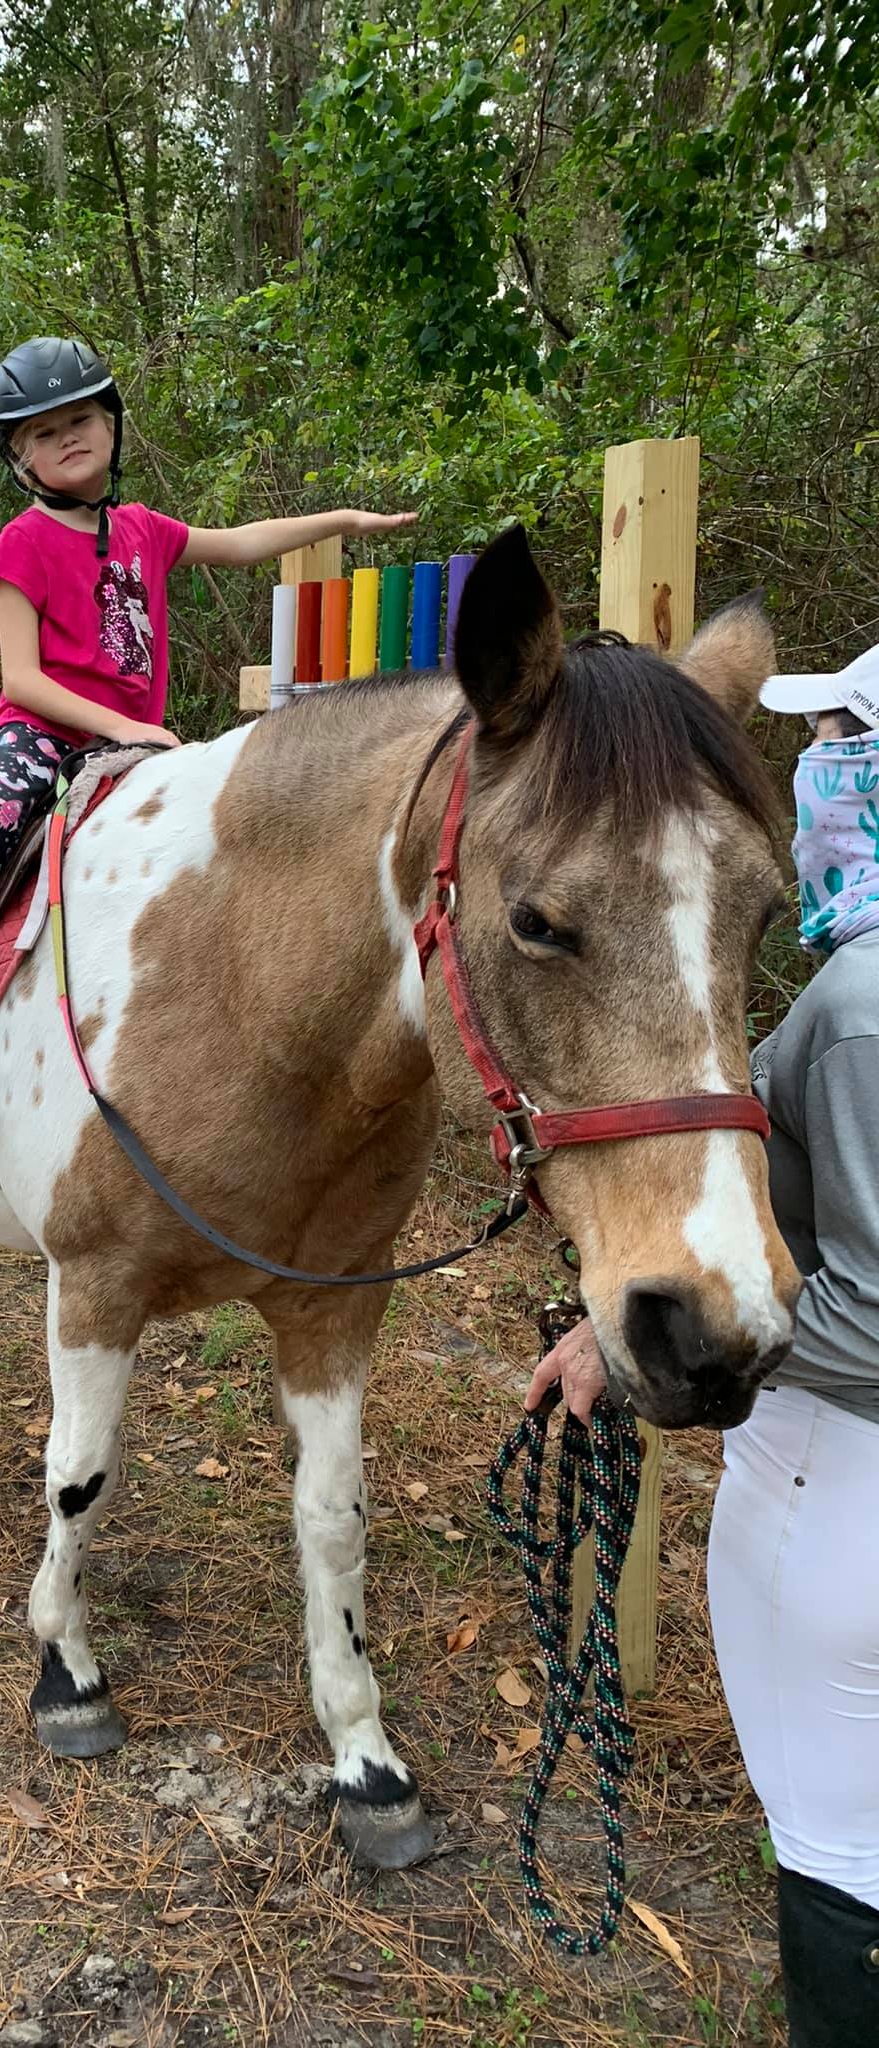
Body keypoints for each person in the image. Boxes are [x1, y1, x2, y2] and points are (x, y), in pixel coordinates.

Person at [527, 654, 879, 2048]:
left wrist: (642, 1353)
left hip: (837, 1493)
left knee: (838, 1837)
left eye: (845, 736)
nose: (825, 767)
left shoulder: (861, 1012)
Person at [0, 334, 418, 1106]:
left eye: (81, 418)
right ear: (20, 457)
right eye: (43, 430)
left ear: (112, 426)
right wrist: (120, 726)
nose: (67, 436)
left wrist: (337, 520)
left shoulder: (142, 528)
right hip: (44, 734)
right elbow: (21, 679)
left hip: (134, 743)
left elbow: (238, 544)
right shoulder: (22, 542)